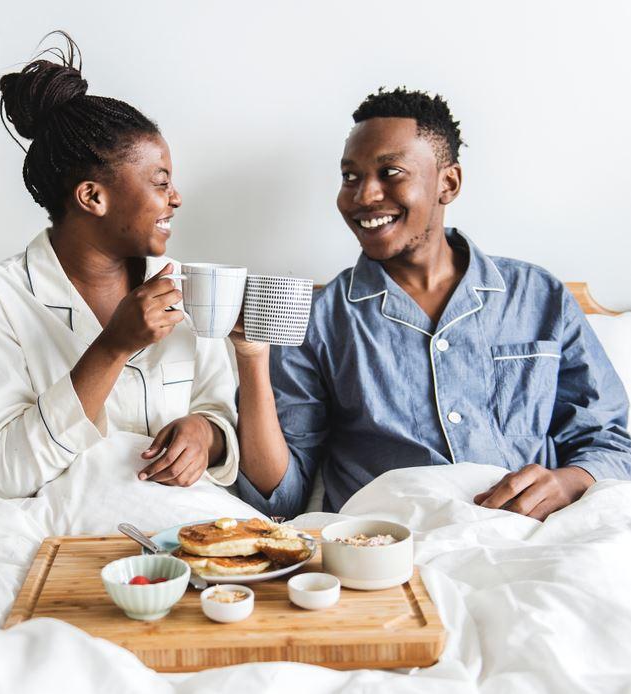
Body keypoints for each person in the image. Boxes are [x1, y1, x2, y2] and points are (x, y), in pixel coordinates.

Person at [231, 87, 631, 519]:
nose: (364, 196)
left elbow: (611, 440)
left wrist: (568, 481)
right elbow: (279, 501)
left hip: (528, 540)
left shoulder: (539, 297)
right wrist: (251, 356)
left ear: (449, 183)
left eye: (390, 172)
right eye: (350, 177)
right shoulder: (318, 320)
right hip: (391, 553)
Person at [0, 35, 239, 498]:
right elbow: (11, 470)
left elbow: (218, 413)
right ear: (92, 197)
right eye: (160, 182)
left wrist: (205, 435)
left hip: (176, 523)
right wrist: (113, 345)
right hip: (44, 525)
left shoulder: (185, 285)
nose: (176, 198)